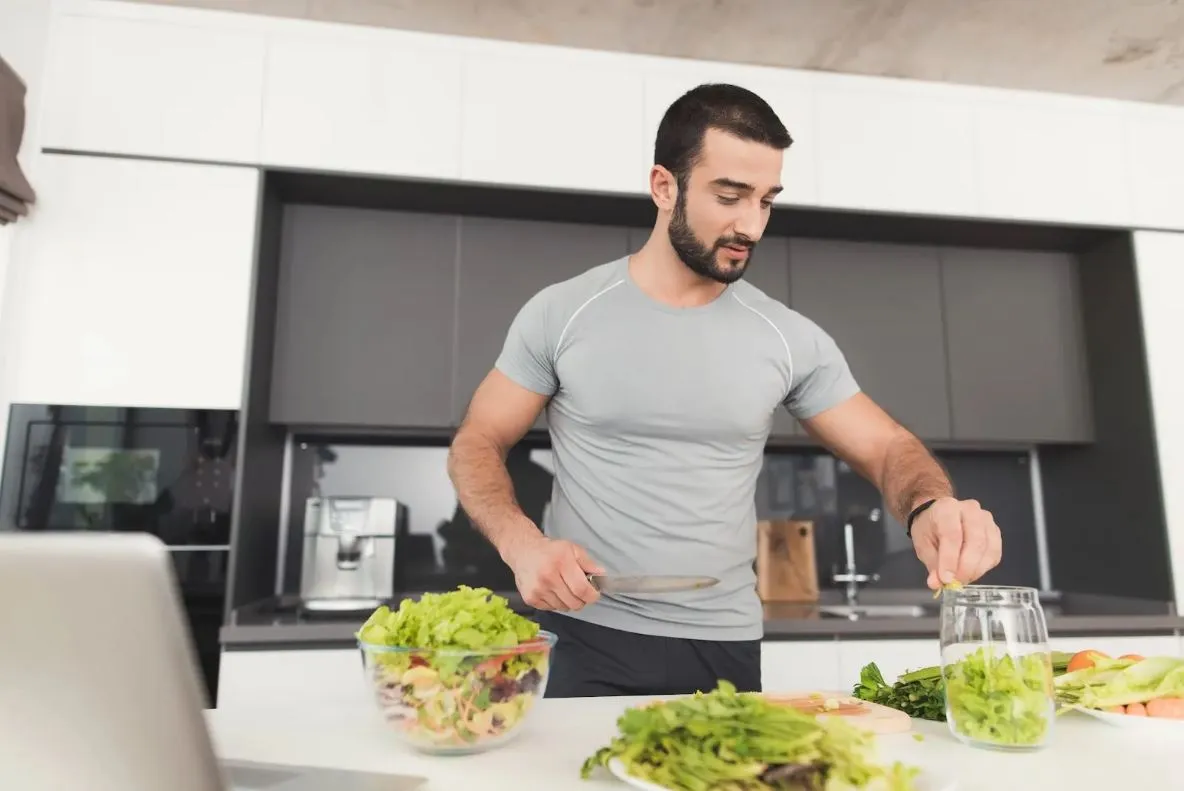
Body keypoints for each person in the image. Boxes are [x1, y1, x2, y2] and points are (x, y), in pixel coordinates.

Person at [446, 83, 1003, 698]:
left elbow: (887, 447)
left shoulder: (788, 337)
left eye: (767, 200)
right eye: (730, 196)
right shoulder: (563, 313)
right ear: (664, 187)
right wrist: (522, 545)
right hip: (583, 630)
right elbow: (479, 440)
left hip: (726, 642)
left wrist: (931, 506)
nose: (751, 224)